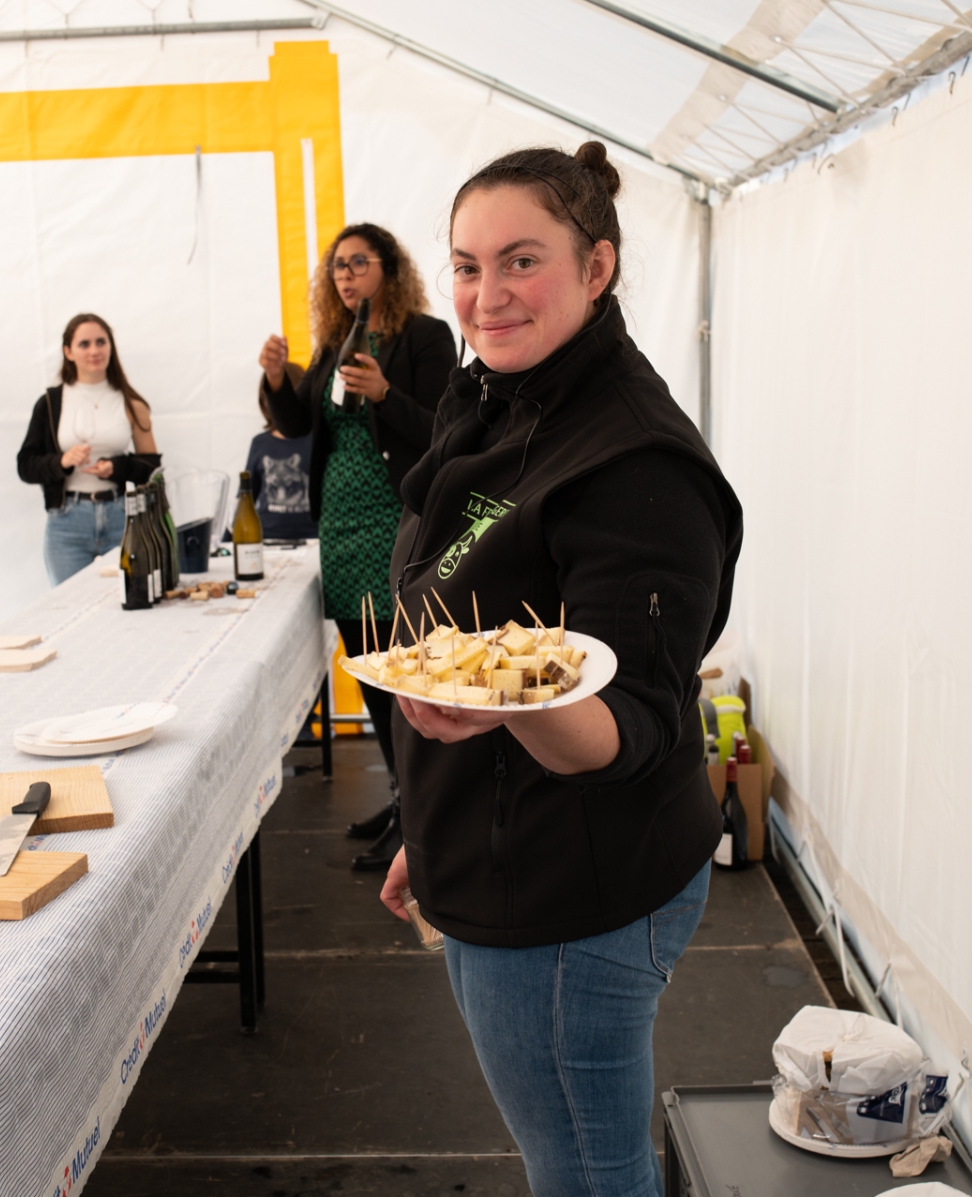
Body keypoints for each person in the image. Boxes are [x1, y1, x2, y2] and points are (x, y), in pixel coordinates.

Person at [379, 144, 743, 1197]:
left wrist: (500, 703)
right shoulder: (497, 395)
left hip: (571, 893)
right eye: (466, 266)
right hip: (493, 852)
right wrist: (429, 827)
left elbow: (627, 725)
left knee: (587, 1172)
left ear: (598, 267)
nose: (486, 295)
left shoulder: (634, 464)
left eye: (521, 261)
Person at [257, 222, 457, 870]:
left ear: (389, 270)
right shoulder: (333, 344)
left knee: (402, 675)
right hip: (340, 525)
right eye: (337, 267)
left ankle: (420, 817)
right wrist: (276, 379)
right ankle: (402, 798)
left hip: (394, 520)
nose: (345, 276)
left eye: (358, 263)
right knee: (370, 667)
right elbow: (298, 426)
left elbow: (447, 432)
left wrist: (385, 394)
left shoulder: (424, 337)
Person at [16, 314, 161, 585]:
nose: (94, 351)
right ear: (68, 352)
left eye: (101, 342)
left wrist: (116, 467)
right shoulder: (50, 403)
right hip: (67, 522)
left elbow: (152, 470)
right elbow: (26, 466)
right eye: (84, 344)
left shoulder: (132, 403)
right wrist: (61, 462)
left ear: (111, 347)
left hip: (121, 515)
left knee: (130, 597)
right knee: (68, 604)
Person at [243, 395, 316, 541]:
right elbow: (246, 495)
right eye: (267, 396)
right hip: (267, 538)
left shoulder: (317, 440)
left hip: (313, 538)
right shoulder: (260, 442)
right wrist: (227, 540)